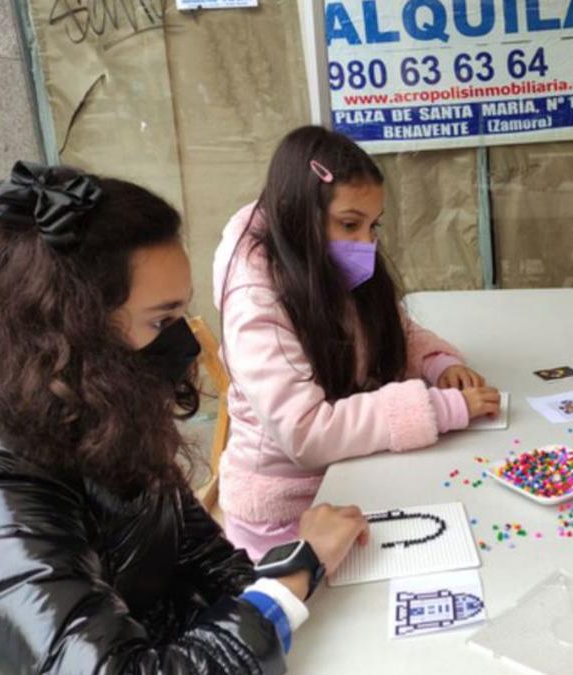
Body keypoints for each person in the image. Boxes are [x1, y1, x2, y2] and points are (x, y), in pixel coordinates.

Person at [0, 162, 368, 673]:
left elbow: (196, 551)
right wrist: (291, 581)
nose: (183, 342)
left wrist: (283, 590)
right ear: (71, 323)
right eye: (162, 319)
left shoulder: (90, 403)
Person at [213, 126, 501, 560]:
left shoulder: (320, 254)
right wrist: (440, 409)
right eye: (350, 224)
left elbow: (388, 326)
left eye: (373, 225)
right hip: (284, 514)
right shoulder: (255, 303)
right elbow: (306, 432)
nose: (366, 242)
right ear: (297, 214)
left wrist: (437, 363)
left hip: (345, 479)